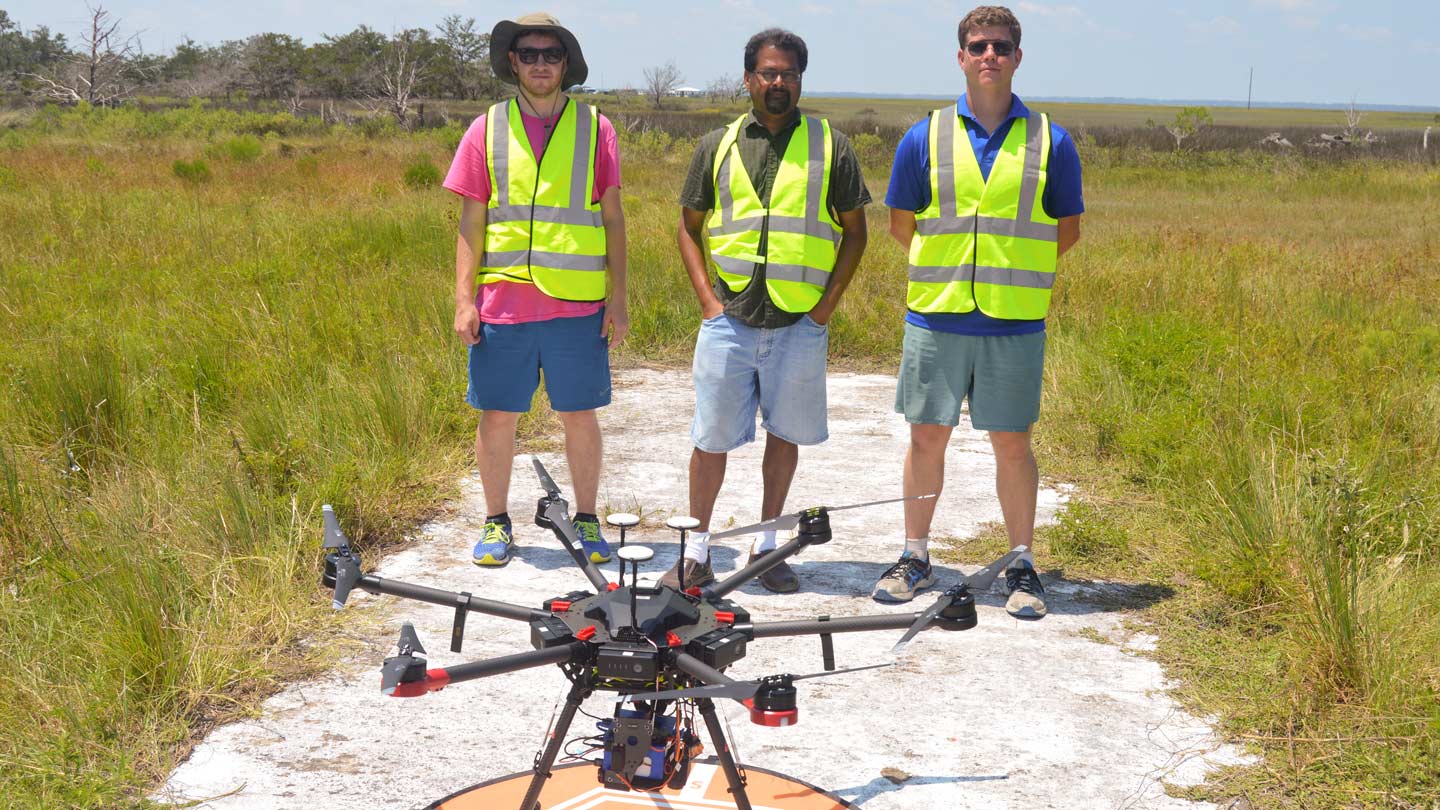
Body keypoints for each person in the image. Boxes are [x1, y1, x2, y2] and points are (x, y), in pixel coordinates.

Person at [877, 5, 1084, 618]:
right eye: (977, 45)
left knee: (1012, 443)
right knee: (925, 437)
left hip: (1014, 320)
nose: (989, 55)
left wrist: (1009, 274)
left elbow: (1065, 230)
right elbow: (900, 223)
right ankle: (916, 556)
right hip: (937, 315)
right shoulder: (925, 135)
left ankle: (1021, 564)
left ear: (1018, 57)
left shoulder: (1052, 139)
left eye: (1000, 46)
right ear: (960, 57)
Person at [664, 28, 870, 593]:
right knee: (710, 438)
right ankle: (697, 553)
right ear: (749, 78)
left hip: (799, 322)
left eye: (790, 74)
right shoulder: (718, 144)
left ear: (801, 79)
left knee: (785, 435)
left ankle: (769, 547)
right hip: (729, 318)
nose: (779, 83)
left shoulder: (832, 146)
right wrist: (708, 301)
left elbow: (856, 233)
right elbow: (688, 227)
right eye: (769, 73)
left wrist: (824, 310)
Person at [443, 12, 627, 568]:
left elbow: (614, 219)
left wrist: (618, 299)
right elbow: (471, 222)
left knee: (580, 414)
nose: (540, 63)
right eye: (529, 54)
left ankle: (588, 520)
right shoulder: (486, 128)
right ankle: (497, 522)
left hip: (577, 305)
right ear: (513, 62)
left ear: (565, 64)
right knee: (497, 415)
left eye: (551, 54)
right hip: (503, 304)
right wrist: (463, 299)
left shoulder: (597, 128)